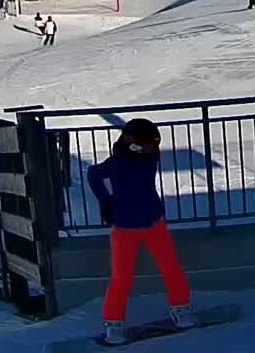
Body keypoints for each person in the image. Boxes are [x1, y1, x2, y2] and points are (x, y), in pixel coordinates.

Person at [86, 119, 194, 345]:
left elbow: (101, 173)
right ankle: (114, 323)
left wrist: (108, 201)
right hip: (125, 228)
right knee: (122, 278)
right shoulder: (118, 162)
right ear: (134, 142)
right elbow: (93, 174)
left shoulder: (147, 157)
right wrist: (106, 201)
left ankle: (181, 308)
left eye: (155, 143)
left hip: (154, 223)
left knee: (171, 267)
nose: (155, 148)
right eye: (150, 143)